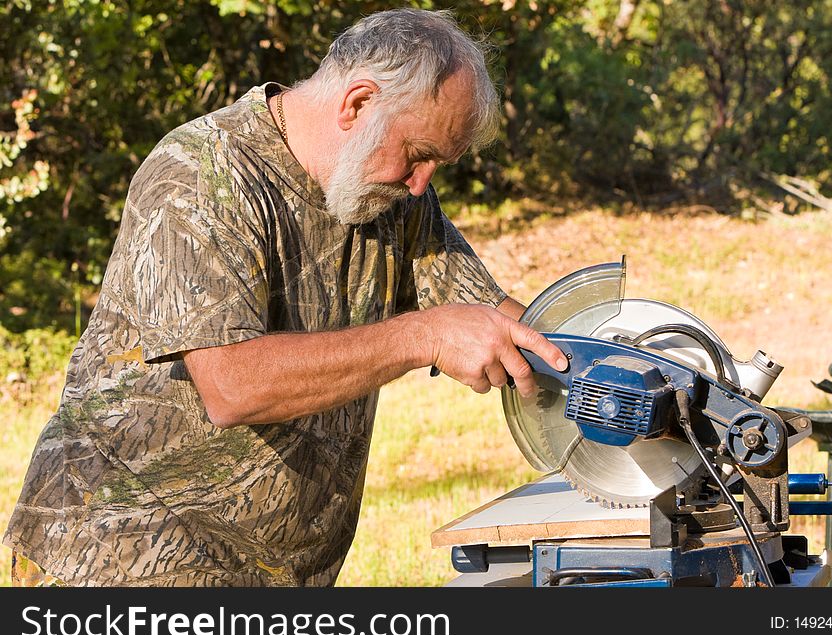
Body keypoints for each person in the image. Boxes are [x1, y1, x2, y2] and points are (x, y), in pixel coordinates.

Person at [3, 8, 567, 586]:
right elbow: (232, 386)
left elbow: (502, 322)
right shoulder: (201, 174)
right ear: (357, 104)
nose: (421, 182)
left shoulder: (394, 196)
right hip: (120, 561)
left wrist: (619, 354)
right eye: (418, 153)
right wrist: (422, 335)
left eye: (436, 165)